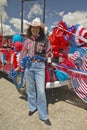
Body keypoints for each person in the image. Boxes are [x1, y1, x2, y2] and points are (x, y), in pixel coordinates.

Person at [19, 17, 52, 126]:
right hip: (28, 66)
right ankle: (32, 107)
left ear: (39, 29)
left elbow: (48, 52)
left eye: (37, 27)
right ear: (30, 28)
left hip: (40, 67)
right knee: (30, 89)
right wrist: (19, 66)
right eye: (33, 27)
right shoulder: (27, 41)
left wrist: (50, 56)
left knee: (41, 91)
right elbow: (23, 53)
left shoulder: (45, 40)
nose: (35, 29)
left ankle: (43, 115)